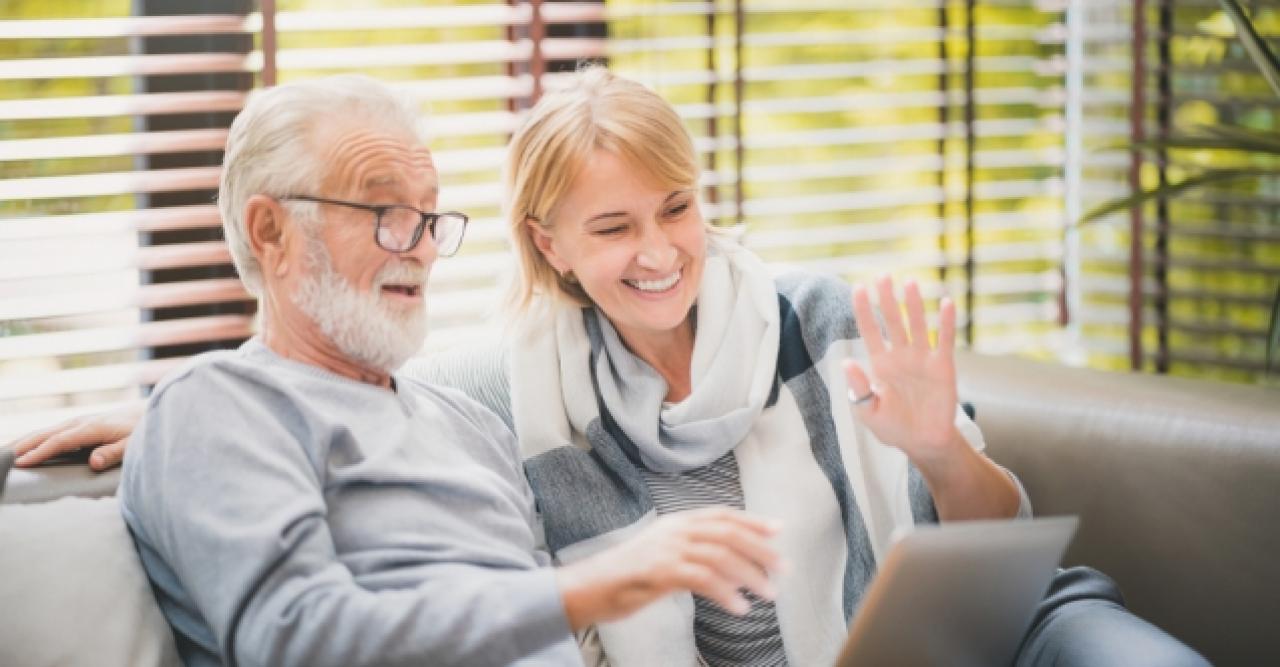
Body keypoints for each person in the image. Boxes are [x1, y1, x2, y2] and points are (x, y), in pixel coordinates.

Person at [11, 68, 1208, 667]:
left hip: (987, 632)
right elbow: (306, 429)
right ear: (550, 249)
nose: (656, 252)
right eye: (610, 227)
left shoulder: (816, 320)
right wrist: (179, 397)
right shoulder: (499, 391)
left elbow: (993, 535)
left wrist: (939, 447)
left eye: (675, 208)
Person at [89, 74, 784, 667]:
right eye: (388, 212)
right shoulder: (219, 408)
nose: (420, 248)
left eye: (429, 216)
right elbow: (298, 637)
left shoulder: (472, 422)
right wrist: (601, 583)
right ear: (271, 231)